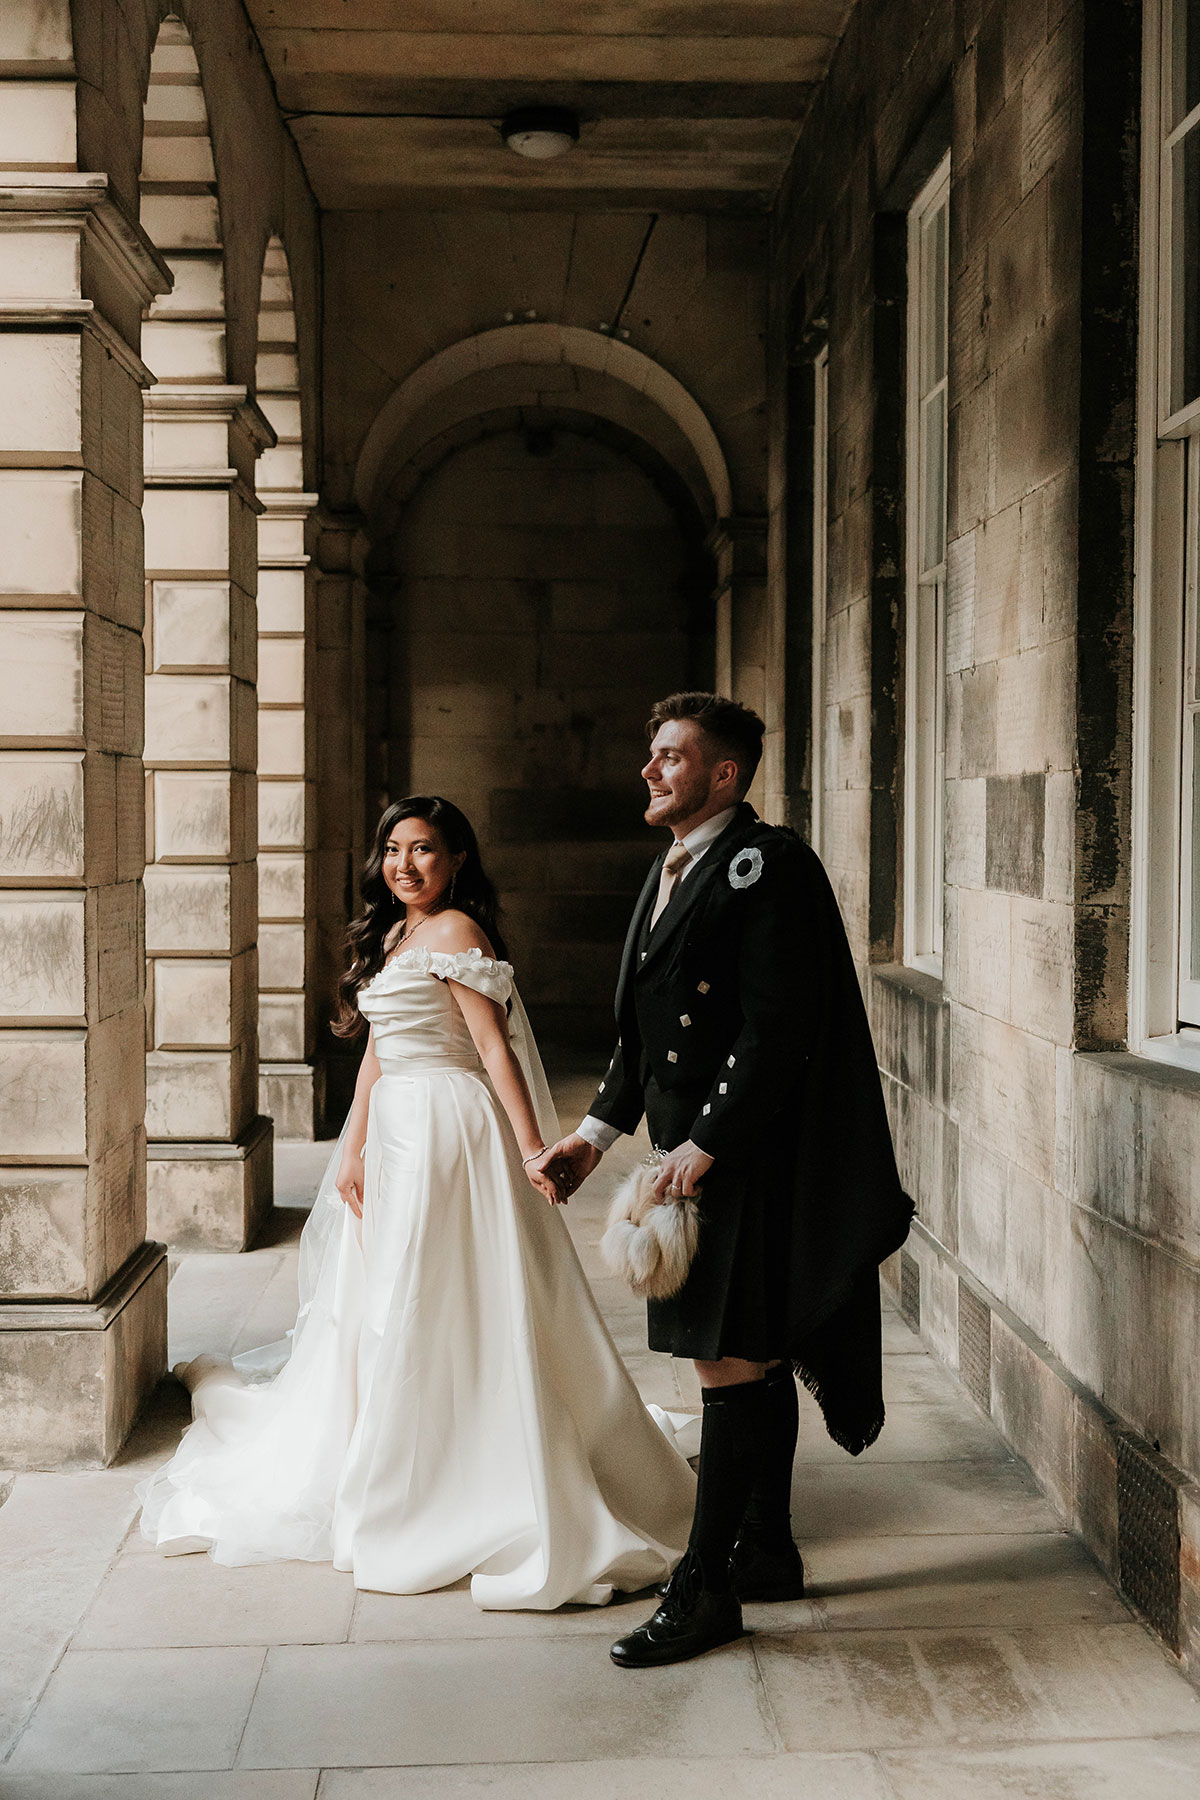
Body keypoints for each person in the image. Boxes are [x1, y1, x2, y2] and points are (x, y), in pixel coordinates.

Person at [138, 796, 696, 1611]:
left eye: (425, 848)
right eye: (394, 849)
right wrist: (353, 1146)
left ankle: (458, 1467)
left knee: (437, 1290)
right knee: (386, 1293)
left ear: (457, 859)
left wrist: (533, 1148)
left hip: (447, 1130)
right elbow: (378, 1049)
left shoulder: (458, 931)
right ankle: (396, 1441)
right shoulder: (397, 932)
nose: (405, 864)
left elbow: (494, 1050)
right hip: (397, 1126)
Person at [537, 693, 914, 1666]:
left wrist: (705, 1144)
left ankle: (706, 1592)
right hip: (698, 1155)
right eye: (653, 754)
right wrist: (593, 1136)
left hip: (743, 1161)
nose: (650, 769)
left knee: (725, 1362)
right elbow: (648, 1032)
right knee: (748, 1354)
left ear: (724, 774)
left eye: (671, 756)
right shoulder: (675, 866)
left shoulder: (766, 865)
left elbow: (778, 1025)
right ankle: (766, 1550)